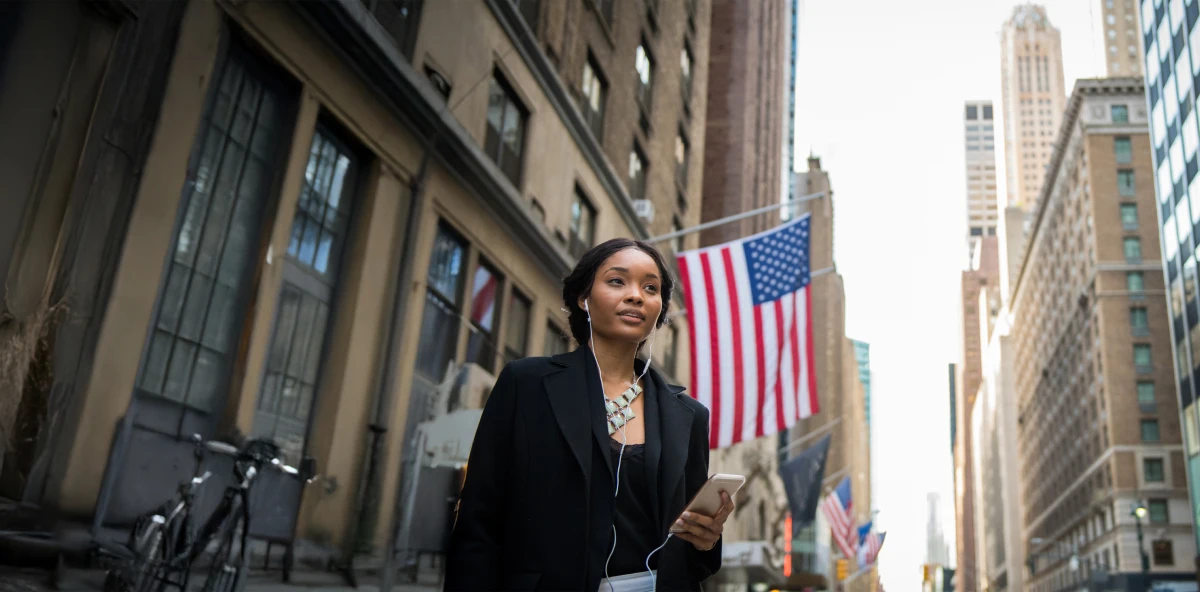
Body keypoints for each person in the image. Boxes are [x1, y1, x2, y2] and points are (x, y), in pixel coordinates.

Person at [445, 238, 734, 591]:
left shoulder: (689, 415)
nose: (636, 296)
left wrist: (707, 539)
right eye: (617, 281)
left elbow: (695, 558)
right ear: (584, 298)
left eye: (650, 288)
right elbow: (478, 521)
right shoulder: (527, 383)